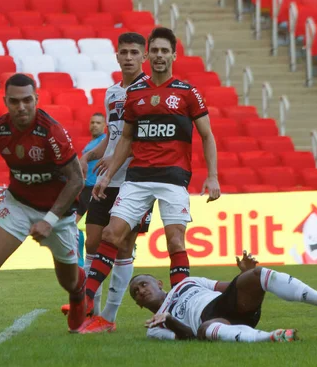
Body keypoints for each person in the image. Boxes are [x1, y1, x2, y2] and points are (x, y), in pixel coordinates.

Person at [0, 73, 86, 365]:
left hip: (57, 214)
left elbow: (76, 180)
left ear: (36, 100)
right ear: (6, 102)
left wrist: (49, 219)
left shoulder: (52, 132)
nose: (21, 106)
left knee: (69, 281)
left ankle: (77, 294)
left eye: (27, 100)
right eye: (15, 101)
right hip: (18, 205)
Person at [83, 27, 221, 319]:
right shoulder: (134, 95)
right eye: (155, 50)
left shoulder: (187, 92)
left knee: (175, 241)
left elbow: (207, 135)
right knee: (110, 234)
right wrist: (107, 176)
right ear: (151, 54)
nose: (159, 56)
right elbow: (126, 139)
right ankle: (87, 307)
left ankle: (182, 310)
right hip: (138, 178)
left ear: (173, 54)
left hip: (173, 177)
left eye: (164, 51)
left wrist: (213, 176)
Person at [65, 33, 160, 334]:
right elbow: (115, 134)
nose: (129, 57)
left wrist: (110, 169)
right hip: (108, 178)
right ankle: (90, 306)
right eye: (124, 52)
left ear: (143, 57)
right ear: (117, 57)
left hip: (136, 180)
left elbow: (138, 139)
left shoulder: (150, 92)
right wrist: (90, 154)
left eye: (134, 52)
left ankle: (108, 315)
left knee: (121, 245)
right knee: (93, 240)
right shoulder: (112, 93)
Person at [129, 251, 317, 342]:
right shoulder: (155, 329)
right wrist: (168, 318)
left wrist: (244, 274)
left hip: (227, 304)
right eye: (135, 293)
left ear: (158, 283)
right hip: (212, 322)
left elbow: (228, 287)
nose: (140, 291)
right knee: (205, 330)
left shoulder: (187, 282)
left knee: (258, 274)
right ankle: (270, 337)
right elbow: (189, 337)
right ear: (138, 304)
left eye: (143, 284)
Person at [75, 113, 106, 223]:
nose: (94, 125)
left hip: (95, 187)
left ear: (105, 125)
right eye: (92, 122)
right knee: (77, 222)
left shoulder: (105, 141)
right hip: (86, 188)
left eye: (98, 123)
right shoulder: (91, 143)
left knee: (90, 223)